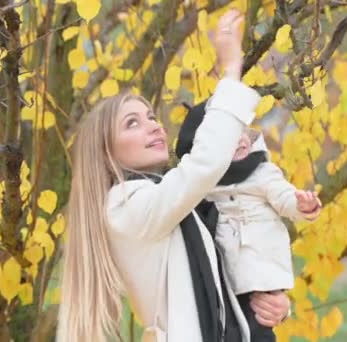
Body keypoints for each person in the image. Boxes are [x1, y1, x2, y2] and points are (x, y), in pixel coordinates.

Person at [57, 9, 290, 342]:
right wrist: (230, 71)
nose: (152, 124)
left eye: (151, 116)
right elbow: (202, 167)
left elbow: (236, 254)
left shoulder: (173, 203)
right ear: (105, 153)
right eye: (131, 123)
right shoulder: (125, 207)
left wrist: (274, 302)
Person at [176, 106, 322, 341]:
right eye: (226, 139)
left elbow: (284, 197)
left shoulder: (262, 172)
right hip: (228, 279)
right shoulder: (203, 186)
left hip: (259, 273)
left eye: (239, 131)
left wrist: (302, 205)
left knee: (259, 326)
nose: (239, 140)